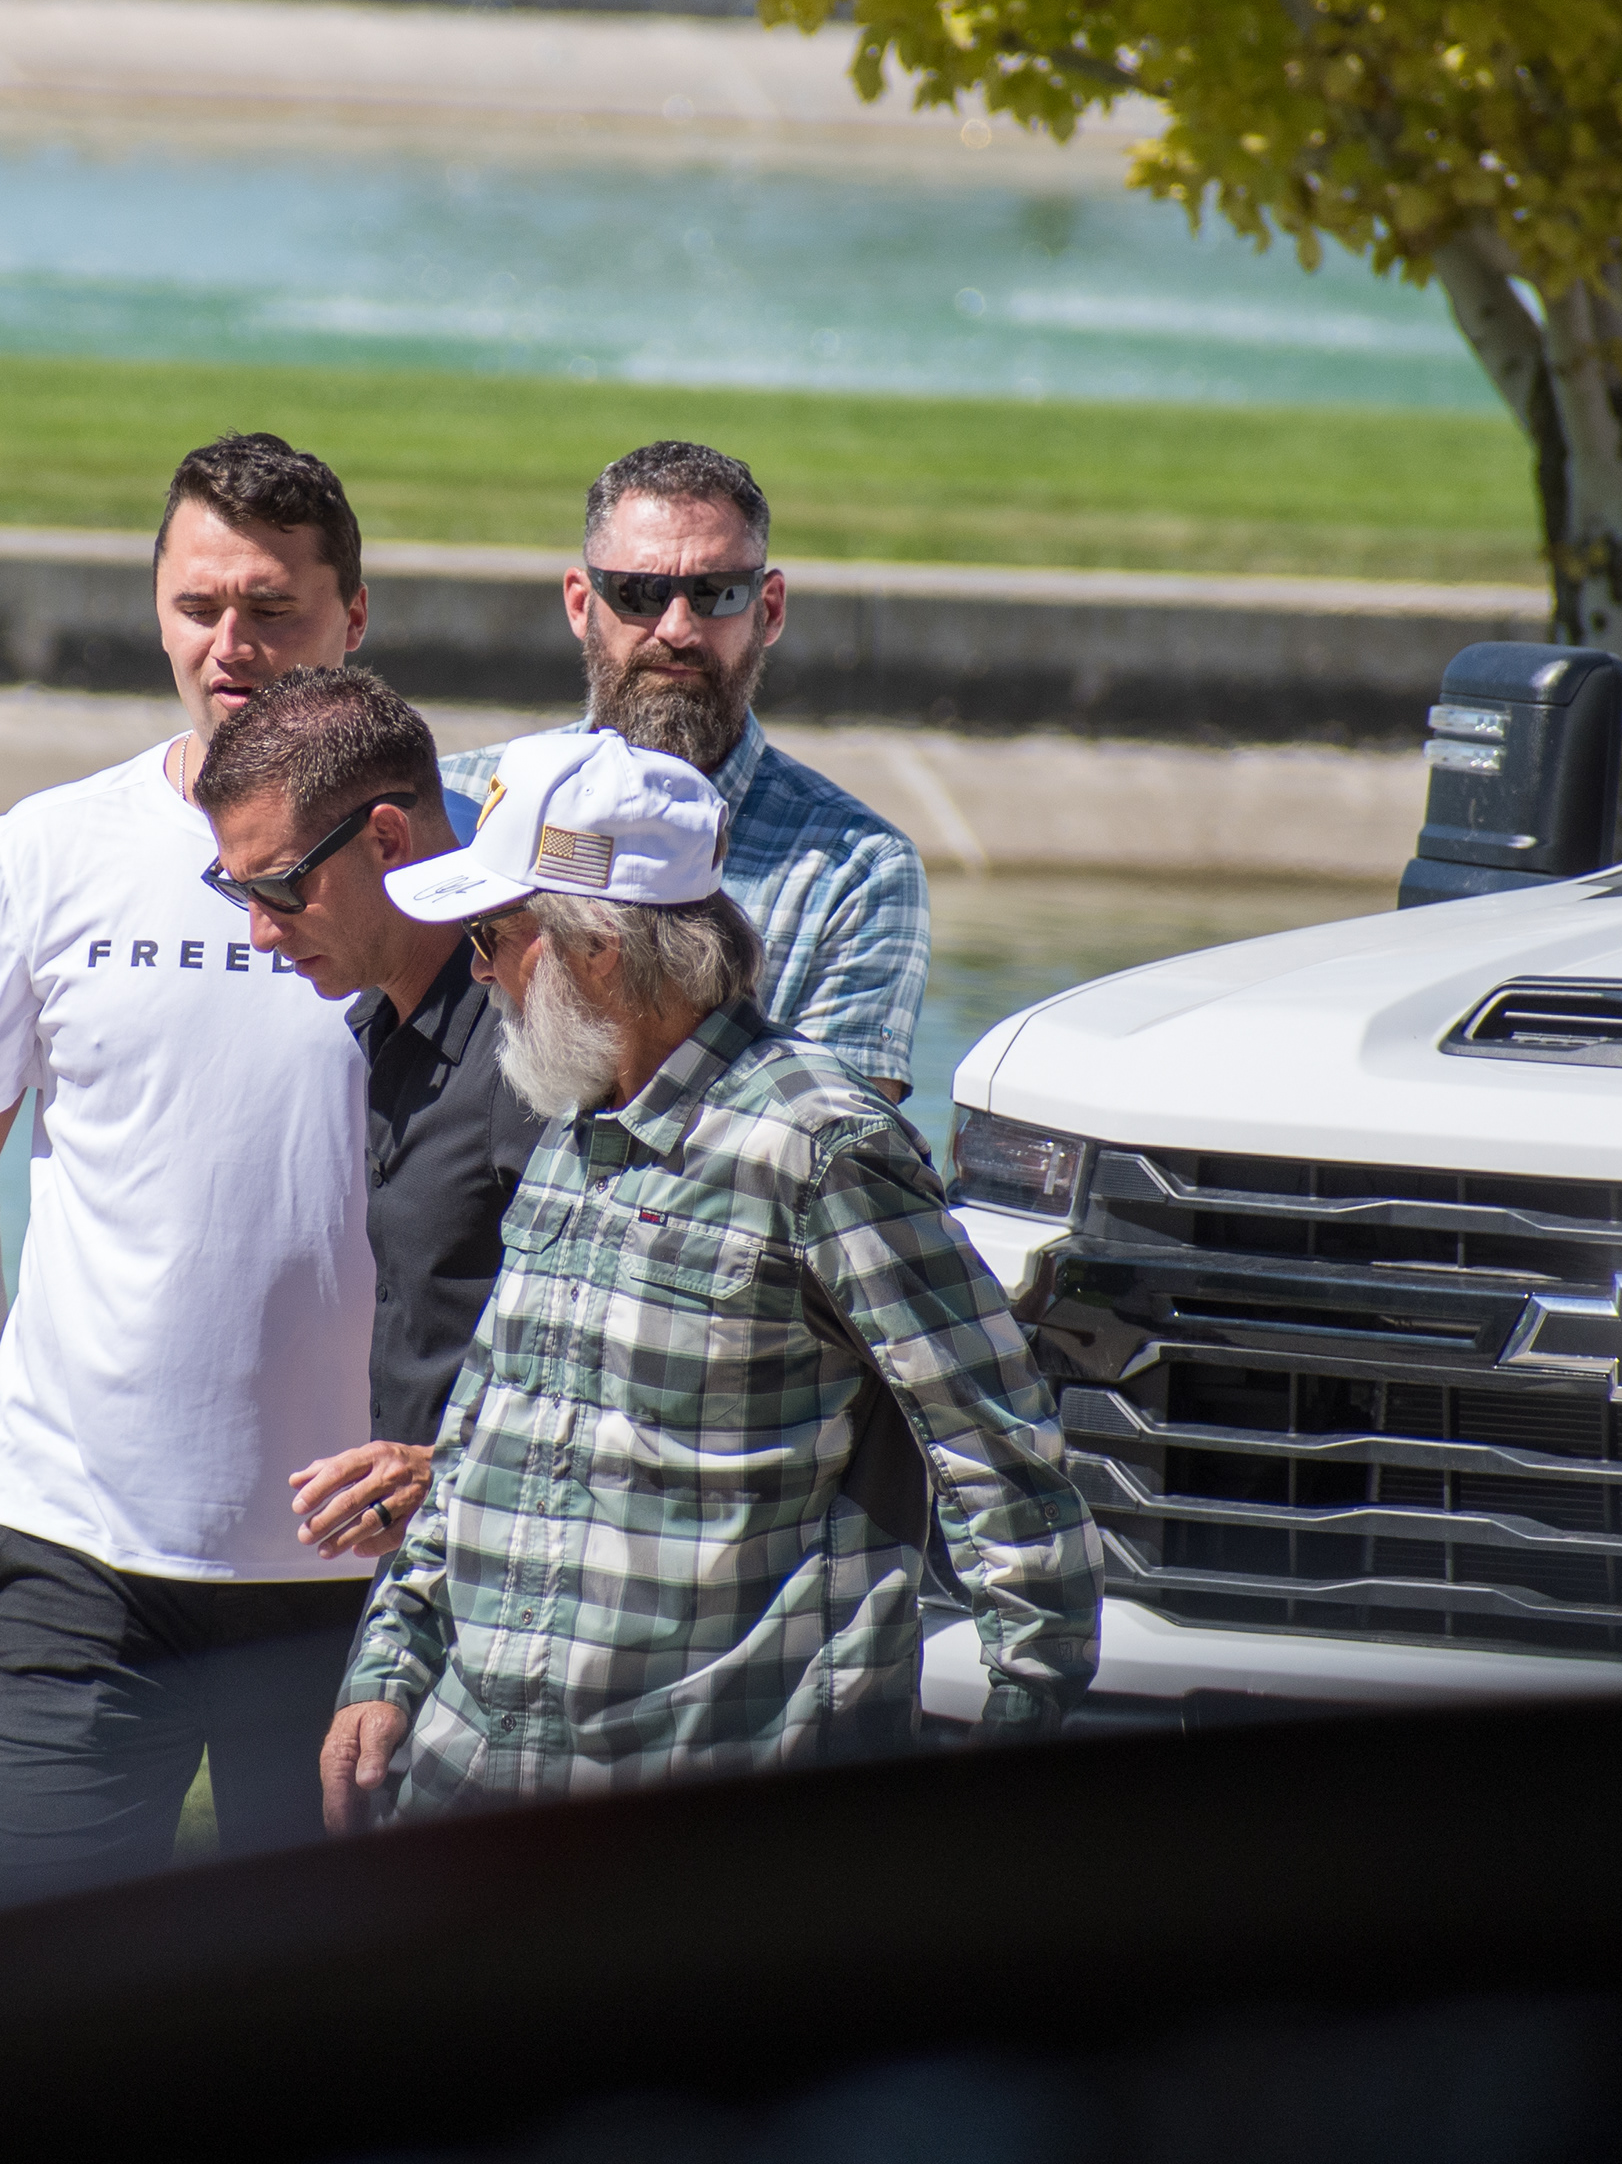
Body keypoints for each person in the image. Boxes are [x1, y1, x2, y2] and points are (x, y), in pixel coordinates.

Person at [323, 729, 1098, 1824]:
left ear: (597, 947)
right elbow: (478, 1442)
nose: (479, 967)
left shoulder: (820, 1147)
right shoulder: (569, 1123)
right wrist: (388, 1670)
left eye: (497, 933)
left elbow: (1004, 1461)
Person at [0, 434, 382, 1905]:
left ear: (353, 621)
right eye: (199, 606)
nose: (231, 645)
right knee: (54, 2030)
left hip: (351, 1575)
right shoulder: (52, 849)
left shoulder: (433, 868)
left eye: (272, 609)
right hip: (72, 1555)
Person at [446, 441, 931, 1097]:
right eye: (641, 592)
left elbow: (830, 1150)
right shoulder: (460, 802)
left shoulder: (855, 870)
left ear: (771, 609)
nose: (677, 628)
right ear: (580, 603)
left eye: (716, 592)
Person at [190, 668, 537, 1567]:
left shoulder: (530, 1056)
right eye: (240, 892)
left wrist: (444, 1471)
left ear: (386, 838)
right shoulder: (393, 1025)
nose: (261, 933)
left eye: (279, 889)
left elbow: (644, 1357)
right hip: (438, 1596)